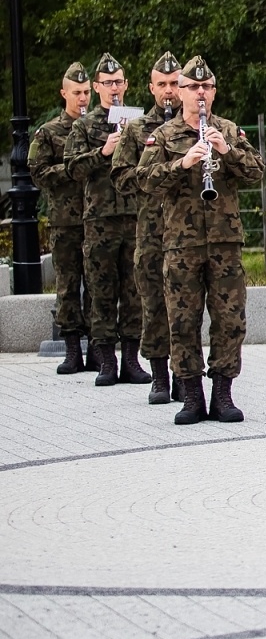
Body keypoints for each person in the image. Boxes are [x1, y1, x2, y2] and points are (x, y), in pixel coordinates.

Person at [136, 56, 266, 425]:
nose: (200, 93)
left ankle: (223, 394)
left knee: (230, 319)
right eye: (193, 88)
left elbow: (256, 172)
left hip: (226, 242)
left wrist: (226, 151)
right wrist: (182, 164)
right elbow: (143, 181)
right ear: (179, 91)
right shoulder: (163, 136)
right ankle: (191, 395)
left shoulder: (227, 129)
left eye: (206, 87)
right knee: (182, 320)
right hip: (181, 244)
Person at [64, 53, 146, 387]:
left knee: (133, 291)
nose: (114, 89)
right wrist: (102, 153)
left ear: (126, 85)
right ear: (96, 87)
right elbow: (71, 169)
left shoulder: (138, 123)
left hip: (133, 216)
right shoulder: (83, 127)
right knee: (101, 291)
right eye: (107, 83)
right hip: (99, 220)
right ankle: (106, 360)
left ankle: (131, 358)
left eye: (118, 83)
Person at [110, 52, 184, 404]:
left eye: (174, 84)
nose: (169, 92)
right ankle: (158, 375)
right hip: (153, 232)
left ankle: (185, 375)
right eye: (162, 85)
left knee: (185, 307)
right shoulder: (138, 130)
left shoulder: (196, 127)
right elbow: (121, 177)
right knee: (153, 304)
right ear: (151, 88)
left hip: (187, 234)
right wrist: (152, 176)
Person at [30, 62, 92, 374]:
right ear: (63, 93)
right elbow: (38, 172)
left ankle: (98, 347)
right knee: (68, 285)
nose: (82, 98)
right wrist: (71, 168)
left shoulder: (99, 128)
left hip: (97, 218)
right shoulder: (50, 132)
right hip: (66, 221)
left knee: (99, 285)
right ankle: (71, 349)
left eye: (86, 92)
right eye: (77, 93)